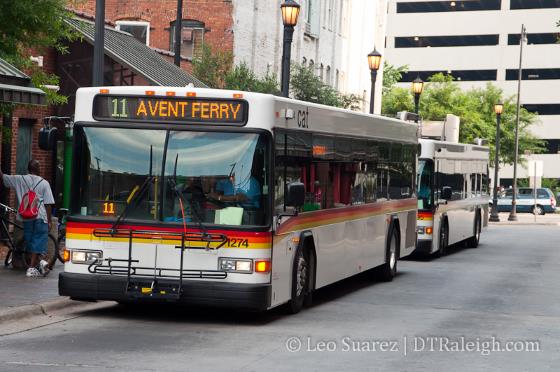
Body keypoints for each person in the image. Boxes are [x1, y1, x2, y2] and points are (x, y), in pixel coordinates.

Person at [0, 160, 55, 277]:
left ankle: (41, 264)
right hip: (40, 216)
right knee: (39, 240)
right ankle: (31, 268)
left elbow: (3, 177)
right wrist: (49, 220)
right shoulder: (44, 183)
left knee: (30, 241)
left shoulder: (19, 179)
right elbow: (48, 203)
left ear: (28, 168)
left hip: (26, 217)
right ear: (38, 169)